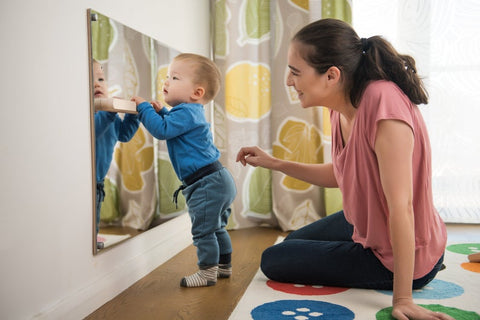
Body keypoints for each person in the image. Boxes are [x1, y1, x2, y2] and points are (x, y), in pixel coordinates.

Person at [236, 19, 452, 320]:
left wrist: (403, 299)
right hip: (369, 226)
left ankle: (419, 266)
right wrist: (274, 163)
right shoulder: (341, 106)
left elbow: (401, 207)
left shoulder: (383, 105)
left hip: (400, 252)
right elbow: (343, 174)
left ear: (331, 75)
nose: (288, 80)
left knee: (274, 259)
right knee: (293, 242)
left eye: (295, 72)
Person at [131, 53, 236, 288]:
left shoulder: (186, 112)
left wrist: (144, 109)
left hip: (206, 183)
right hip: (217, 180)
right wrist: (161, 112)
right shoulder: (189, 113)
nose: (166, 81)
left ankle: (207, 272)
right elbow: (170, 125)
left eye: (175, 77)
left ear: (197, 93)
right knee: (216, 227)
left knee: (203, 230)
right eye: (167, 76)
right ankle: (223, 266)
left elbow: (161, 130)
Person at [93, 60, 140, 249]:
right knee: (85, 216)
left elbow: (124, 134)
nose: (97, 83)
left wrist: (132, 114)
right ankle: (87, 242)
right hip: (83, 182)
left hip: (98, 180)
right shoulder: (88, 114)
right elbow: (94, 130)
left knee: (95, 213)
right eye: (91, 80)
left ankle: (92, 238)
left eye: (101, 79)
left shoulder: (109, 114)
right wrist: (110, 111)